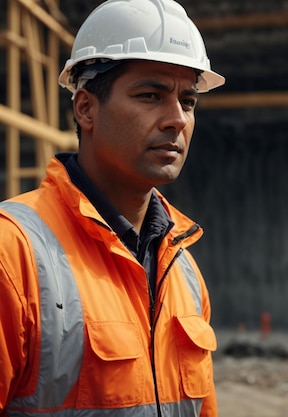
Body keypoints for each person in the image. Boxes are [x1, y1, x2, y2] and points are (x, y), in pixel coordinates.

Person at [0, 1, 224, 416]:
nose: (176, 119)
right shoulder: (13, 255)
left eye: (188, 101)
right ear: (86, 108)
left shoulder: (182, 270)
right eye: (150, 95)